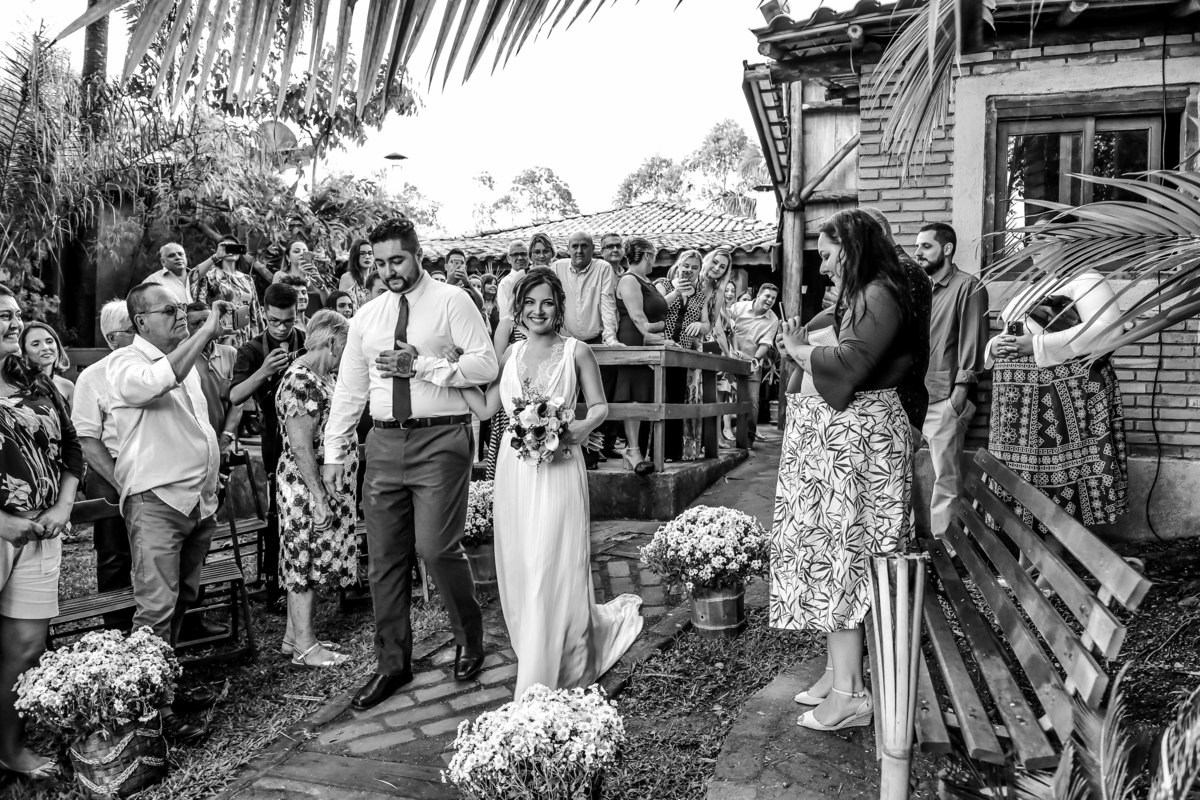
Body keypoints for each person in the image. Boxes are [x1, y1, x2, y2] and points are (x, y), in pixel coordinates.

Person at [321, 216, 496, 710]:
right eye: (378, 263)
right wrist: (336, 450)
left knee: (438, 549)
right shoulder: (366, 317)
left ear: (419, 254)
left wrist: (421, 365)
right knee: (384, 561)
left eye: (396, 260)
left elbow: (486, 365)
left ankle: (469, 638)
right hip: (382, 443)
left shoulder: (451, 301)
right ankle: (392, 665)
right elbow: (351, 389)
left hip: (441, 437)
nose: (388, 271)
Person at [772, 208, 921, 732]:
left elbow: (853, 365)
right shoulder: (866, 293)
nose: (823, 263)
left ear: (853, 246)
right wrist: (807, 341)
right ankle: (839, 672)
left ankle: (850, 695)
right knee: (834, 557)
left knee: (846, 561)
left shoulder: (880, 293)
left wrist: (796, 349)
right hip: (848, 445)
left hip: (863, 449)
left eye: (829, 252)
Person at [471, 269, 642, 697]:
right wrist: (445, 373)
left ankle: (556, 668)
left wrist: (579, 430)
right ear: (519, 308)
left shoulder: (577, 352)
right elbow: (486, 405)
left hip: (561, 467)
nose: (537, 311)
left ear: (558, 306)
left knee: (553, 559)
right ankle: (535, 646)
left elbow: (600, 406)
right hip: (515, 472)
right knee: (524, 561)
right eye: (529, 303)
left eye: (546, 302)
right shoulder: (508, 356)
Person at [108, 285, 229, 742]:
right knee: (156, 609)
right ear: (141, 322)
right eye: (169, 310)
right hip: (157, 503)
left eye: (182, 309)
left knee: (181, 601)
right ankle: (147, 717)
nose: (180, 316)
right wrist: (205, 331)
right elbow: (163, 380)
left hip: (197, 501)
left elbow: (197, 423)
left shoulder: (182, 360)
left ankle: (166, 688)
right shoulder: (125, 364)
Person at [0, 284, 82, 780]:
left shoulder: (34, 379)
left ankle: (10, 747)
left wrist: (63, 506)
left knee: (27, 644)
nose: (13, 323)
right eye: (0, 316)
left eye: (14, 314)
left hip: (42, 532)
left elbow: (71, 447)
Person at [986, 243, 1128, 528]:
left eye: (1045, 241)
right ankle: (1028, 559)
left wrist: (1037, 344)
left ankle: (1051, 562)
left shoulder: (1086, 279)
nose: (1035, 249)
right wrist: (995, 345)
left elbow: (1109, 328)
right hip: (1017, 406)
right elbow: (1012, 329)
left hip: (1058, 403)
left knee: (1059, 481)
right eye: (1032, 242)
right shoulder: (1035, 285)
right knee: (1022, 480)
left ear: (1068, 241)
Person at [276, 310, 357, 668]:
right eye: (343, 346)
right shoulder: (300, 380)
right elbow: (300, 445)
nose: (345, 354)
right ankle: (306, 649)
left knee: (305, 554)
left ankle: (294, 637)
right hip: (303, 485)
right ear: (329, 342)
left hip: (312, 483)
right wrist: (319, 497)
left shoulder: (316, 375)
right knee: (302, 558)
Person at [231, 283, 306, 603]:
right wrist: (265, 370)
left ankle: (313, 576)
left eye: (287, 321)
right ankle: (277, 583)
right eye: (274, 321)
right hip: (274, 435)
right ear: (263, 314)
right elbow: (235, 395)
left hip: (311, 432)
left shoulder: (305, 340)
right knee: (279, 511)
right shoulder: (250, 349)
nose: (281, 328)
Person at [915, 222, 988, 540]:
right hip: (913, 398)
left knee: (946, 479)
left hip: (946, 398)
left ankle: (948, 549)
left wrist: (959, 394)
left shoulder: (968, 286)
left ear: (947, 249)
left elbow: (973, 342)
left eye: (926, 246)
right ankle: (915, 545)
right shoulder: (918, 288)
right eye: (917, 246)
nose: (918, 252)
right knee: (909, 474)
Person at [71, 301, 136, 632]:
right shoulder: (93, 378)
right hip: (110, 472)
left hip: (154, 471)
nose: (140, 336)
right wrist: (118, 481)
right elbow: (87, 439)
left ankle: (183, 620)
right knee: (114, 554)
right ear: (112, 338)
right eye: (132, 331)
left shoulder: (154, 367)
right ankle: (118, 626)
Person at [614, 238, 668, 473]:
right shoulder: (629, 279)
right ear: (647, 255)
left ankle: (638, 452)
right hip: (634, 340)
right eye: (654, 254)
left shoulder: (648, 282)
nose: (655, 259)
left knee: (646, 395)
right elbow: (638, 318)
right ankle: (632, 450)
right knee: (633, 394)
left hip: (649, 340)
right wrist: (660, 333)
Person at [654, 250, 709, 460]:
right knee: (658, 399)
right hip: (661, 348)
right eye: (686, 266)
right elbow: (655, 309)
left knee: (676, 403)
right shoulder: (664, 284)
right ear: (678, 265)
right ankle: (654, 452)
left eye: (695, 268)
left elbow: (707, 324)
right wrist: (676, 292)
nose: (689, 271)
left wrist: (700, 325)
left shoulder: (700, 295)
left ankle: (672, 452)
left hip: (682, 352)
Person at [185, 303, 242, 462]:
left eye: (208, 321)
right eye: (195, 324)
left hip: (223, 441)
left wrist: (226, 438)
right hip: (192, 445)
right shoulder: (182, 358)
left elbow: (237, 402)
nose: (204, 328)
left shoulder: (230, 353)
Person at [728, 284, 781, 446]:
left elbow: (766, 343)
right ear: (758, 295)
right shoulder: (738, 307)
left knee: (752, 401)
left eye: (773, 298)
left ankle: (747, 440)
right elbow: (725, 327)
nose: (770, 300)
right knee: (722, 397)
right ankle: (720, 435)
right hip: (729, 357)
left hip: (752, 361)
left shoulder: (773, 320)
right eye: (767, 296)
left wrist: (756, 359)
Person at [551, 232, 621, 346]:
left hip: (596, 341)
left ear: (593, 248)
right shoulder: (557, 268)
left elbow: (608, 305)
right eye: (575, 246)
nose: (579, 251)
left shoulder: (603, 268)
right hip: (565, 342)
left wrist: (611, 340)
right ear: (568, 249)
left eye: (584, 246)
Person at [20, 321, 73, 408]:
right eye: (36, 344)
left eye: (49, 341)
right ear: (24, 352)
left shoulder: (67, 386)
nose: (45, 347)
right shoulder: (17, 385)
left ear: (57, 346)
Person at [339, 238, 373, 307]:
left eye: (370, 253)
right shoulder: (348, 277)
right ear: (355, 256)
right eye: (362, 253)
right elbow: (342, 306)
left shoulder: (376, 278)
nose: (367, 257)